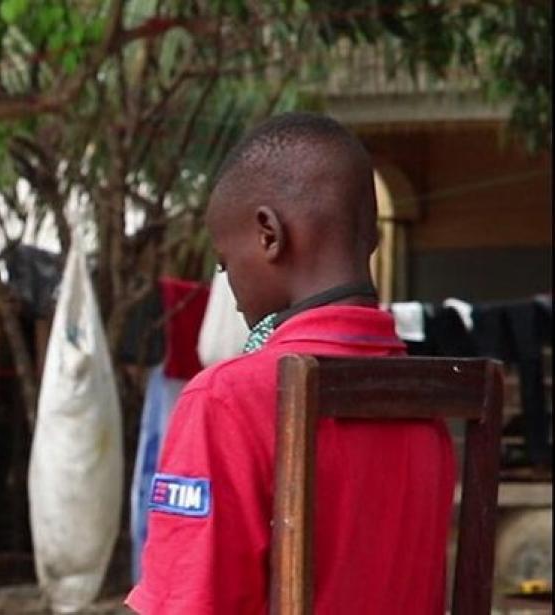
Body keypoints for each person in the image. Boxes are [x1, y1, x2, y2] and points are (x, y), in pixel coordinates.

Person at [127, 112, 455, 614]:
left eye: (223, 261)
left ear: (268, 235)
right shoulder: (430, 401)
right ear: (372, 240)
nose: (229, 286)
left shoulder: (227, 400)